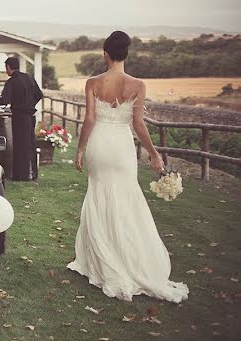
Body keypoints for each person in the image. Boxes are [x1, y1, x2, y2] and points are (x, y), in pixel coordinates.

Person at [69, 31, 188, 303]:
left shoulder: (93, 82)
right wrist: (154, 153)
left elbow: (89, 119)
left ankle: (103, 259)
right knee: (126, 196)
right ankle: (131, 258)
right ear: (126, 54)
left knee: (98, 193)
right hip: (122, 147)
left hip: (100, 143)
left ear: (105, 54)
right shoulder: (137, 84)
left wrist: (80, 148)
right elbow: (138, 124)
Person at [0, 57, 43, 181]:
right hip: (30, 115)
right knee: (30, 144)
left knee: (20, 145)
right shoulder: (29, 77)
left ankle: (20, 176)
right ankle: (33, 173)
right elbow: (39, 94)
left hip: (19, 117)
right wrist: (30, 104)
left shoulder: (11, 81)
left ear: (8, 67)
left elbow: (4, 100)